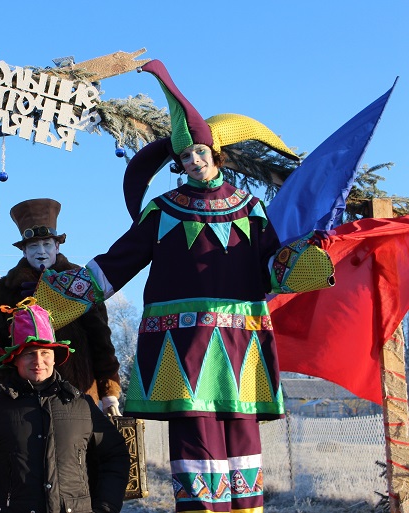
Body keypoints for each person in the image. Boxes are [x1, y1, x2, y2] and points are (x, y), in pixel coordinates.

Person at [32, 60, 335, 513]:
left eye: (199, 152)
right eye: (185, 157)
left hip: (240, 341)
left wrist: (302, 261)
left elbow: (271, 267)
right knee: (194, 435)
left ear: (215, 153)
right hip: (183, 343)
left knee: (242, 434)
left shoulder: (250, 208)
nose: (193, 161)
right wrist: (55, 301)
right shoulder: (164, 209)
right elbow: (119, 261)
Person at [0, 299, 130, 513]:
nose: (38, 361)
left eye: (45, 353)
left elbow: (116, 456)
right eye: (29, 353)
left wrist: (105, 507)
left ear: (55, 358)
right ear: (15, 359)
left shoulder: (83, 407)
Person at [0, 198, 122, 414]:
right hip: (26, 398)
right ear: (24, 251)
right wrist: (8, 385)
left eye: (47, 244)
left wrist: (109, 394)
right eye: (33, 245)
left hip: (79, 394)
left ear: (57, 246)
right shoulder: (6, 290)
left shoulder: (82, 282)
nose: (41, 251)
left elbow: (102, 341)